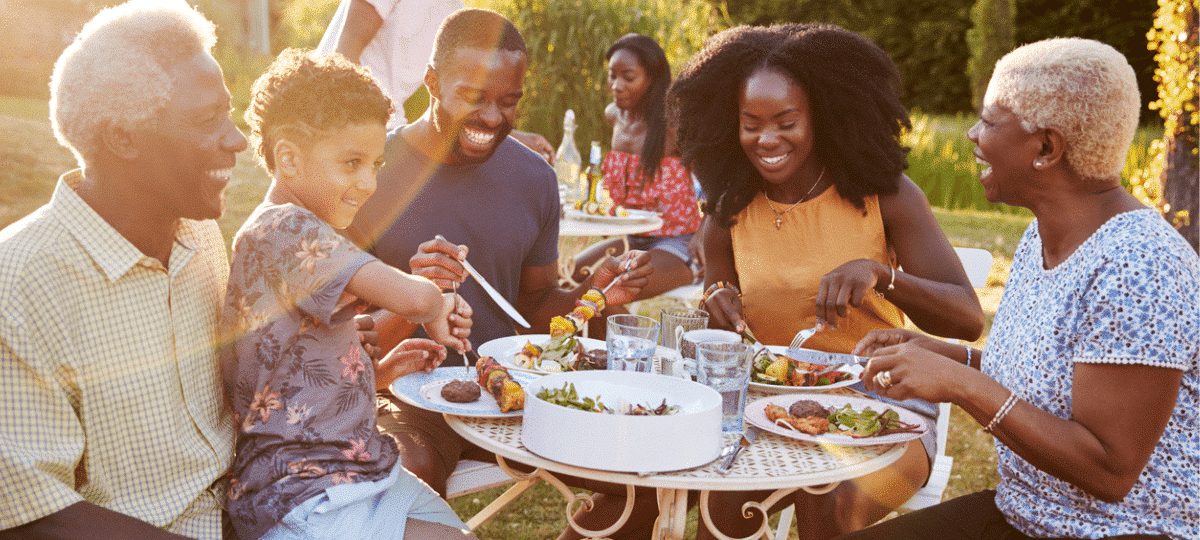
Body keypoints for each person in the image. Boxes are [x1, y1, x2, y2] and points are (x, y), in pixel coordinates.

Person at [844, 37, 1199, 540]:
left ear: (1047, 148)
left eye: (989, 121)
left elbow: (1110, 470)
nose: (972, 134)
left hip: (1123, 530)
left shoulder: (1139, 265)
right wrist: (947, 357)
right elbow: (1048, 381)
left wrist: (963, 385)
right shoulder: (1044, 233)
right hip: (1023, 515)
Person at [667, 23, 985, 539]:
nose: (767, 140)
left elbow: (968, 319)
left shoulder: (887, 194)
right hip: (770, 408)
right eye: (751, 124)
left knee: (829, 507)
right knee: (716, 515)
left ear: (822, 116)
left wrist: (881, 275)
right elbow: (718, 309)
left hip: (883, 403)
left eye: (786, 122)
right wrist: (716, 296)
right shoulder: (727, 208)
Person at [343, 11, 654, 531]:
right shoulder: (373, 170)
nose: (492, 117)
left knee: (648, 472)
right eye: (473, 97)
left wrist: (593, 291)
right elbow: (337, 324)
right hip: (409, 400)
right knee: (405, 470)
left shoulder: (533, 178)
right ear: (432, 82)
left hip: (518, 397)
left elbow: (534, 309)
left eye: (508, 102)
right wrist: (410, 294)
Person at [0, 2, 246, 538]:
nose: (238, 139)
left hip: (260, 506)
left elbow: (226, 388)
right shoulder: (17, 283)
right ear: (125, 138)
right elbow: (31, 514)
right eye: (208, 120)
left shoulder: (199, 233)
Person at [221, 48, 476, 540]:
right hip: (303, 490)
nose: (367, 183)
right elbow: (415, 299)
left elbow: (292, 375)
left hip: (351, 470)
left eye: (375, 164)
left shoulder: (297, 235)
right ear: (288, 158)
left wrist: (375, 373)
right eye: (352, 162)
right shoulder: (285, 230)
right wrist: (437, 304)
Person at [570, 33, 703, 326]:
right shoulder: (613, 116)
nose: (616, 86)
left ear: (653, 78)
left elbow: (716, 183)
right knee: (569, 278)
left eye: (628, 77)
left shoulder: (674, 123)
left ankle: (636, 352)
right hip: (628, 238)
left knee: (604, 290)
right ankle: (623, 349)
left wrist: (705, 235)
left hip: (675, 242)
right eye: (612, 76)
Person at [317, 0, 555, 162]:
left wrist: (510, 136)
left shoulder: (452, 12)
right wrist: (366, 135)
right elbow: (344, 52)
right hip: (334, 117)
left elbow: (449, 101)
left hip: (384, 128)